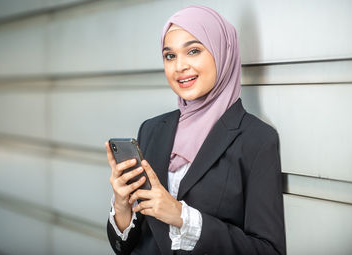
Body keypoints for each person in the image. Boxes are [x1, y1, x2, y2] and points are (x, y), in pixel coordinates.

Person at [105, 5, 286, 255]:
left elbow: (269, 250)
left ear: (223, 52)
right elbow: (127, 245)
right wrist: (122, 205)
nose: (179, 66)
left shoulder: (256, 140)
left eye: (193, 51)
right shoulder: (152, 129)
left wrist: (182, 217)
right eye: (170, 56)